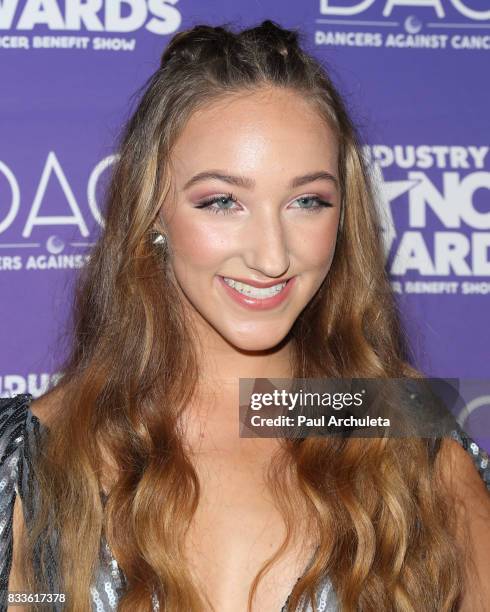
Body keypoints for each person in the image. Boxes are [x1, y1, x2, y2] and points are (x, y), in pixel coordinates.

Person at [1, 19, 489, 612]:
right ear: (152, 208)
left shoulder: (409, 433)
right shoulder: (34, 454)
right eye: (223, 201)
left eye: (307, 201)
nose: (272, 256)